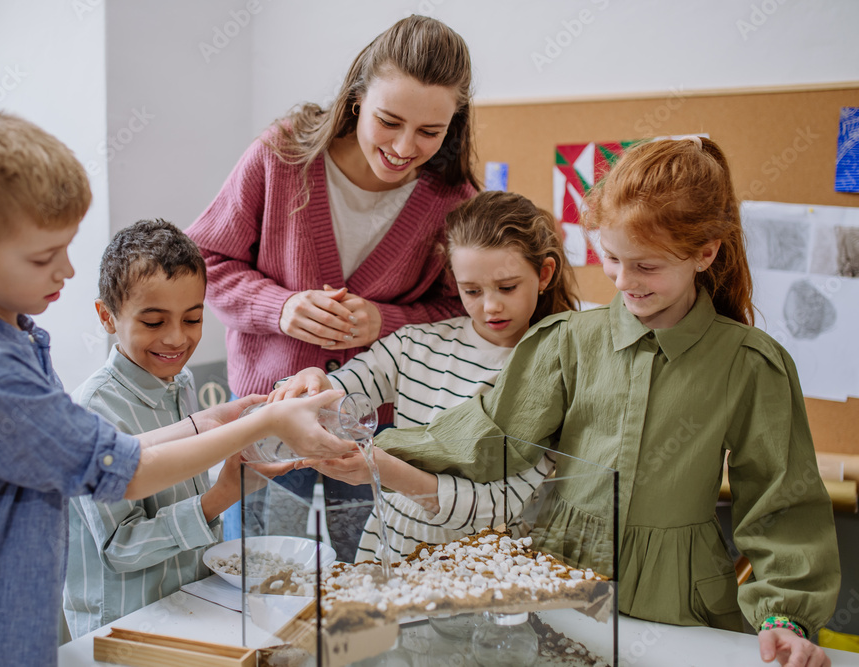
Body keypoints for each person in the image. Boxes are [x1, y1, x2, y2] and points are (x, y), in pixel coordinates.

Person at [0, 111, 352, 667]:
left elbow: (101, 444)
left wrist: (217, 421)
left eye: (66, 248)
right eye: (43, 257)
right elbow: (122, 471)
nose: (67, 271)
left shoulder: (17, 338)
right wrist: (263, 425)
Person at [368, 138, 840, 666]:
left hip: (678, 597)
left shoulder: (751, 363)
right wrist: (375, 450)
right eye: (611, 259)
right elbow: (490, 435)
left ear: (706, 253)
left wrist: (786, 618)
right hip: (559, 579)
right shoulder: (567, 341)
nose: (623, 281)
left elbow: (781, 504)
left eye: (646, 266)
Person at [187, 15, 479, 557]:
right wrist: (281, 307)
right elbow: (202, 261)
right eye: (388, 121)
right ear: (356, 100)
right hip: (267, 416)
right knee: (258, 588)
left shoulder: (451, 199)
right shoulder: (282, 156)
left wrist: (385, 322)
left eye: (429, 132)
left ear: (453, 123)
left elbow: (463, 314)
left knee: (361, 602)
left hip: (377, 441)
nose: (403, 146)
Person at [274, 191, 577, 561]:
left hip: (487, 565)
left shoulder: (552, 371)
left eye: (508, 287)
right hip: (391, 552)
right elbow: (337, 394)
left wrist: (388, 473)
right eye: (472, 291)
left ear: (544, 274)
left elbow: (501, 508)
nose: (491, 306)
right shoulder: (414, 344)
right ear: (455, 281)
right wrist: (312, 382)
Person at [63, 219, 284, 636]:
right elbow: (120, 548)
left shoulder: (181, 385)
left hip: (187, 605)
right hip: (123, 629)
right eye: (153, 322)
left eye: (193, 319)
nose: (176, 339)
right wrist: (219, 498)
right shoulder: (93, 411)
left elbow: (183, 488)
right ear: (106, 316)